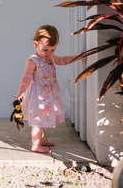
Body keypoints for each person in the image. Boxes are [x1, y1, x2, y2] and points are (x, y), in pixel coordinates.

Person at [16, 25, 84, 153]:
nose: (48, 53)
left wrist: (78, 57)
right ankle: (35, 145)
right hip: (38, 96)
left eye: (52, 50)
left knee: (43, 117)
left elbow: (63, 60)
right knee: (37, 120)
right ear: (35, 44)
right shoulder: (33, 60)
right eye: (45, 50)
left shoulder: (51, 57)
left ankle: (40, 140)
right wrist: (21, 91)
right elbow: (27, 77)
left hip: (47, 96)